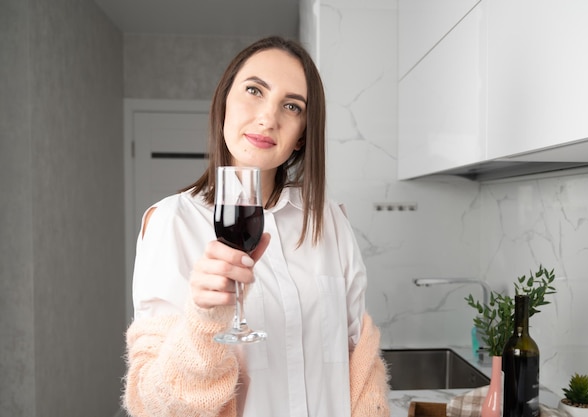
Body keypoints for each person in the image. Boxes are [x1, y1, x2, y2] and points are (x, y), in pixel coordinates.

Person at [122, 36, 390, 417]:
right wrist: (203, 317)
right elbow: (155, 404)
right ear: (224, 105)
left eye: (292, 105)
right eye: (254, 90)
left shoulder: (329, 221)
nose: (268, 117)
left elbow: (361, 371)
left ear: (301, 137)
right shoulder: (171, 223)